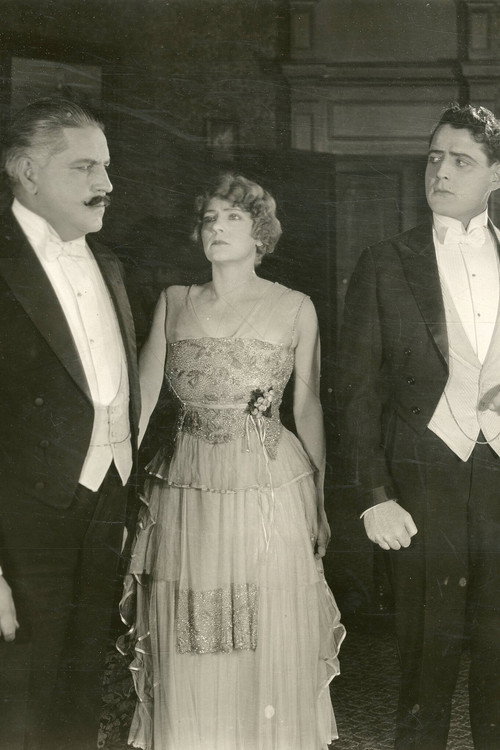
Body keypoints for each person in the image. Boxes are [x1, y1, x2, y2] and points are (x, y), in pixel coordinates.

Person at [119, 172, 345, 750]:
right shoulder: (174, 302)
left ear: (261, 234)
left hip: (268, 481)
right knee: (192, 619)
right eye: (209, 220)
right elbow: (140, 402)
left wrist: (320, 503)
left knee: (261, 616)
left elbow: (308, 408)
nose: (217, 228)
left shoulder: (295, 307)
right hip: (185, 481)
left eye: (234, 218)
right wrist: (114, 488)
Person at [338, 102, 500, 750]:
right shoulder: (386, 261)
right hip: (423, 483)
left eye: (460, 160)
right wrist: (374, 496)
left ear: (495, 175)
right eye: (434, 158)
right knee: (425, 663)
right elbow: (356, 390)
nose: (441, 172)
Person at [0, 98, 140, 750]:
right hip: (20, 530)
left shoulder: (109, 265)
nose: (105, 183)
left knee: (80, 695)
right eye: (84, 167)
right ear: (27, 171)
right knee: (19, 706)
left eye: (105, 167)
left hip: (104, 503)